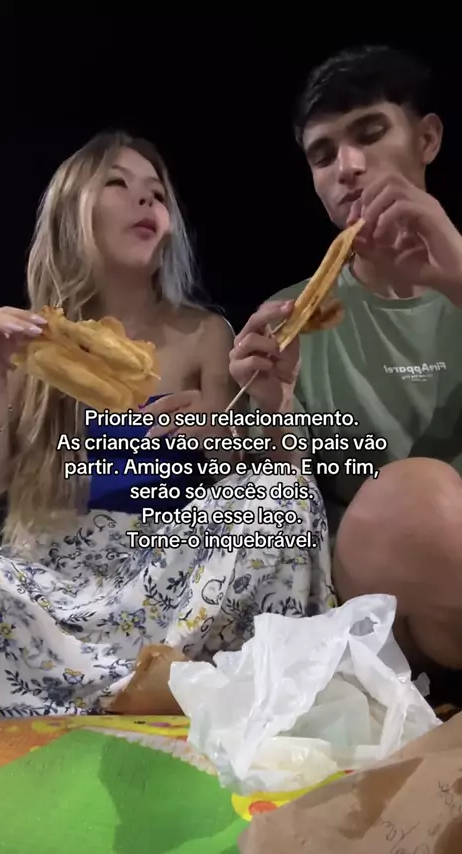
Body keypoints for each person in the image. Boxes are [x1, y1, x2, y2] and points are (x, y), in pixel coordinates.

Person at [0, 131, 331, 718]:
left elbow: (266, 478)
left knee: (281, 500)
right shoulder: (29, 342)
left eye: (157, 193)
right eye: (118, 184)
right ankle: (152, 687)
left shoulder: (204, 334)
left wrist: (229, 431)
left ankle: (119, 687)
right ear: (71, 212)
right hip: (55, 581)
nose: (145, 200)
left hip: (170, 577)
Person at [229, 46, 462, 674]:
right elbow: (287, 521)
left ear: (428, 139)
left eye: (370, 133)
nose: (348, 167)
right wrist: (273, 411)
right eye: (323, 154)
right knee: (417, 496)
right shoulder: (290, 319)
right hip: (375, 598)